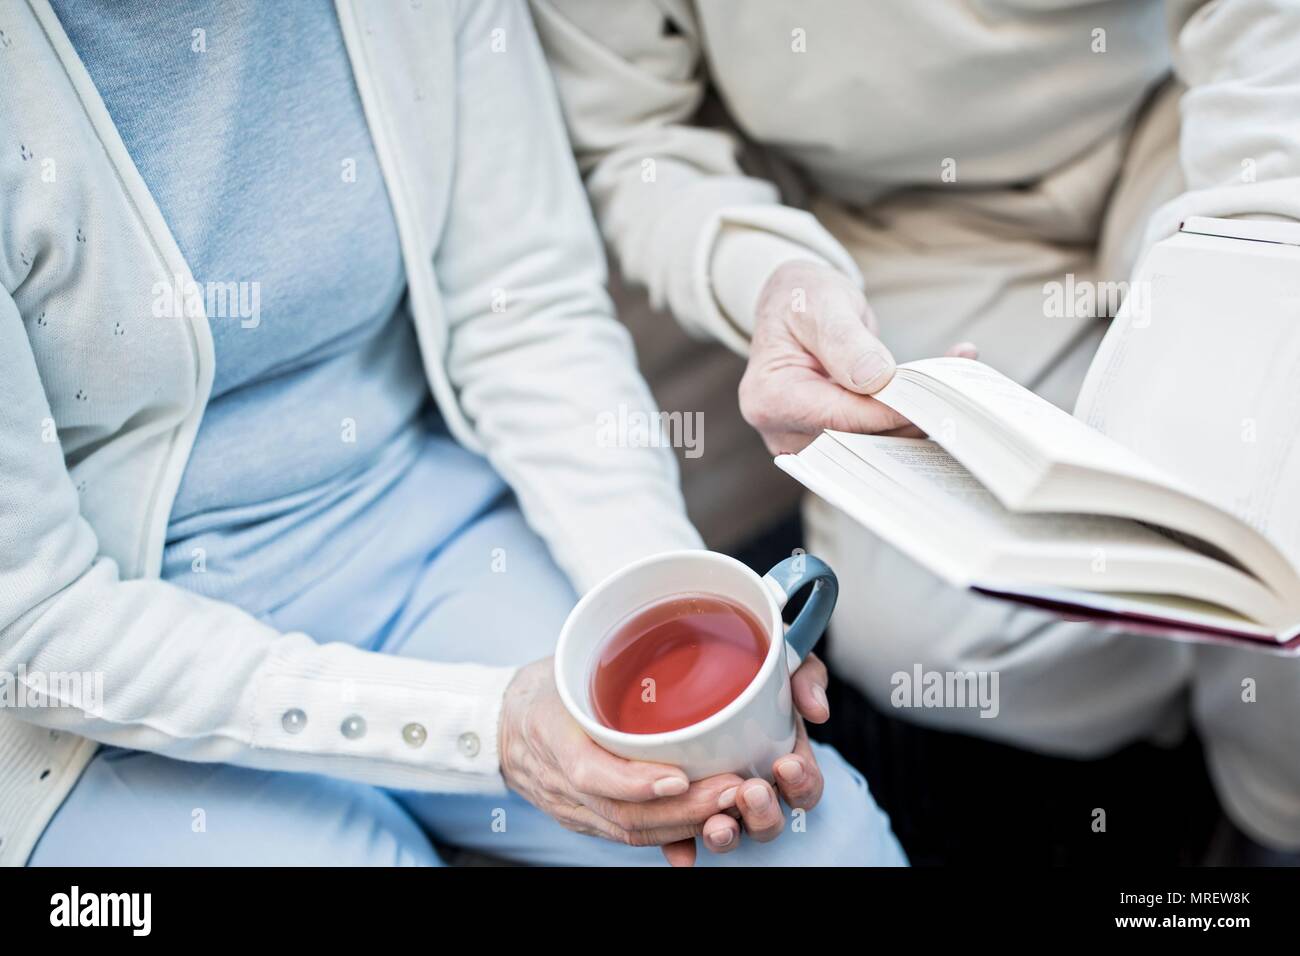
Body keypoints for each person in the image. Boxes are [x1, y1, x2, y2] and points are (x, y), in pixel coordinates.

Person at [0, 0, 905, 868]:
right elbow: (31, 617)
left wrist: (676, 631)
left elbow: (525, 315)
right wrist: (489, 730)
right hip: (92, 679)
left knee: (817, 841)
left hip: (408, 531)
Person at [530, 0, 1300, 851]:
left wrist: (1262, 234)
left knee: (1277, 486)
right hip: (908, 224)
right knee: (915, 643)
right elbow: (636, 141)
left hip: (1195, 134)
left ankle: (1273, 809)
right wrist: (764, 275)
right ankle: (1205, 701)